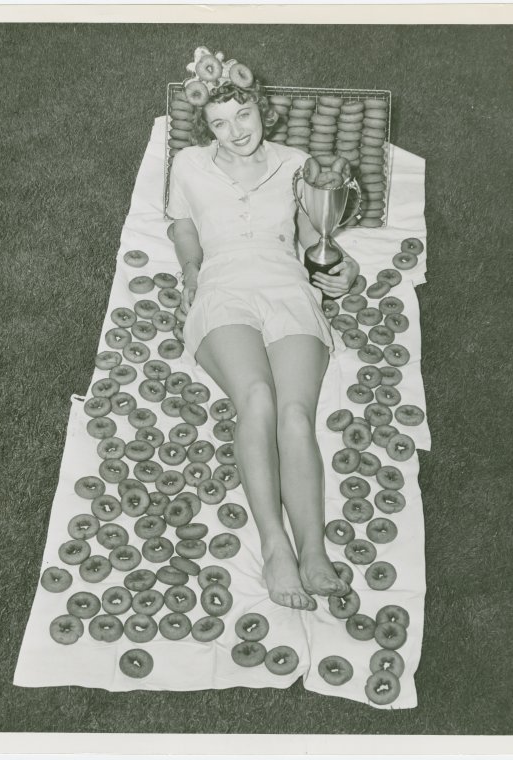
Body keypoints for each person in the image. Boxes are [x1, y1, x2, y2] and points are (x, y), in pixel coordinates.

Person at [166, 52, 360, 611]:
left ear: (262, 109)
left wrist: (339, 267)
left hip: (287, 288)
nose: (235, 132)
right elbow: (182, 223)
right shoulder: (189, 166)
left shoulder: (297, 164)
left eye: (243, 115)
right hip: (223, 287)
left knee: (296, 414)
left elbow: (311, 236)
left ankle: (314, 550)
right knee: (257, 399)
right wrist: (191, 272)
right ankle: (276, 548)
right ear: (206, 126)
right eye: (219, 124)